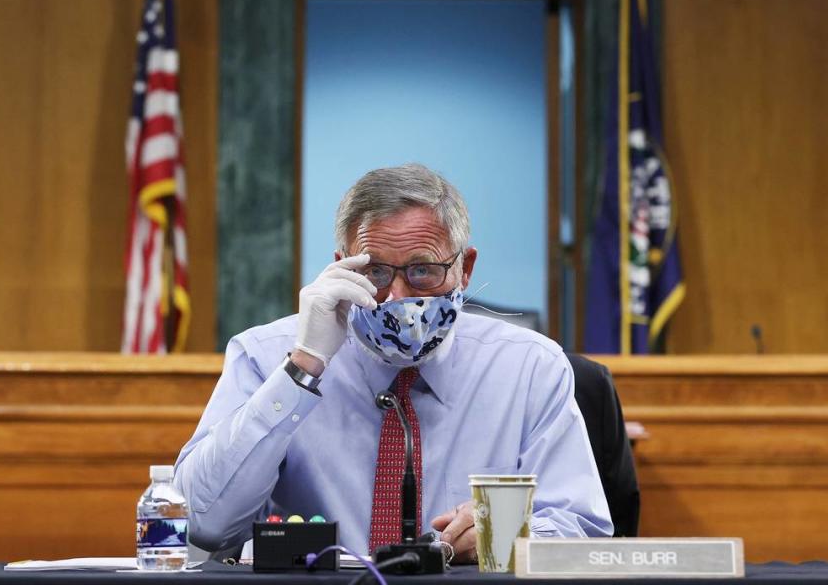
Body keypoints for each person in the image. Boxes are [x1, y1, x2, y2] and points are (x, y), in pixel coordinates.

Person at [174, 164, 612, 562]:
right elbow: (202, 524)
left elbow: (584, 531)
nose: (398, 298)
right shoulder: (265, 355)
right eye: (376, 272)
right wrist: (303, 366)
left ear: (465, 269)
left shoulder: (530, 368)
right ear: (341, 268)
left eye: (423, 270)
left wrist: (507, 533)